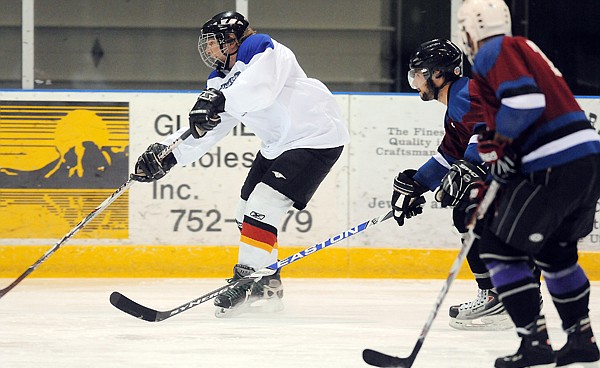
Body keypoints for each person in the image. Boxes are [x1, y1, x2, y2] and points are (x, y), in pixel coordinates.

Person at [132, 11, 349, 317]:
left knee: (263, 204)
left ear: (232, 41)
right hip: (279, 143)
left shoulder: (260, 47)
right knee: (245, 212)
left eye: (213, 43)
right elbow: (210, 126)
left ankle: (249, 280)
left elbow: (260, 89)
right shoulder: (220, 79)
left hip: (315, 136)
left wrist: (220, 99)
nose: (208, 50)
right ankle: (268, 285)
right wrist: (169, 155)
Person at [457, 0, 600, 368]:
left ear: (469, 29)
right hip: (584, 162)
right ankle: (580, 338)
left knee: (497, 248)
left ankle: (534, 343)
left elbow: (524, 103)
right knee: (555, 253)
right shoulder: (523, 48)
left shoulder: (494, 50)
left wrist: (500, 144)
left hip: (552, 164)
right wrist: (495, 145)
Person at [393, 38, 515, 330]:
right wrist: (417, 184)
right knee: (471, 213)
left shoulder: (465, 92)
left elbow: (485, 128)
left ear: (438, 74)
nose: (416, 81)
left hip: (524, 173)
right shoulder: (457, 103)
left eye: (419, 74)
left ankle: (498, 297)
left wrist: (470, 163)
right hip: (519, 172)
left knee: (470, 212)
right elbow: (449, 155)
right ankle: (504, 296)